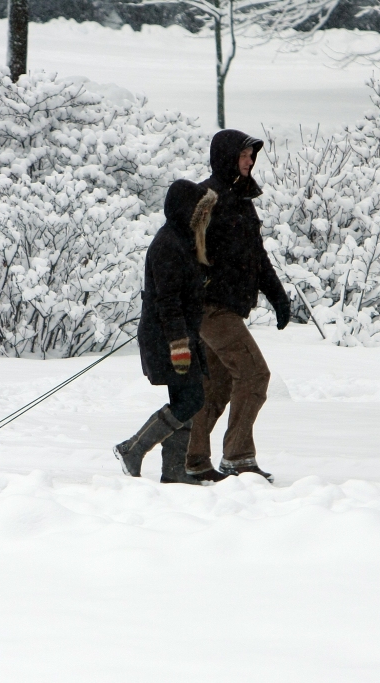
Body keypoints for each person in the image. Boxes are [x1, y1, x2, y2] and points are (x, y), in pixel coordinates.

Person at [184, 129, 291, 484]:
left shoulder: (241, 201)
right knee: (255, 374)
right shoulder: (207, 198)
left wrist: (277, 295)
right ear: (228, 156)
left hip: (226, 307)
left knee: (216, 387)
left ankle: (194, 459)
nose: (250, 161)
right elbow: (182, 250)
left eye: (251, 155)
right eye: (244, 155)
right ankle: (238, 457)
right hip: (211, 308)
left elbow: (256, 256)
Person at [113, 179, 224, 484]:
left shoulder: (183, 242)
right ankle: (132, 449)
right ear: (186, 212)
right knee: (190, 400)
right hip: (168, 336)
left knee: (187, 396)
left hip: (179, 334)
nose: (206, 220)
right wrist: (179, 345)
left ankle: (174, 471)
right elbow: (168, 301)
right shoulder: (168, 244)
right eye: (202, 213)